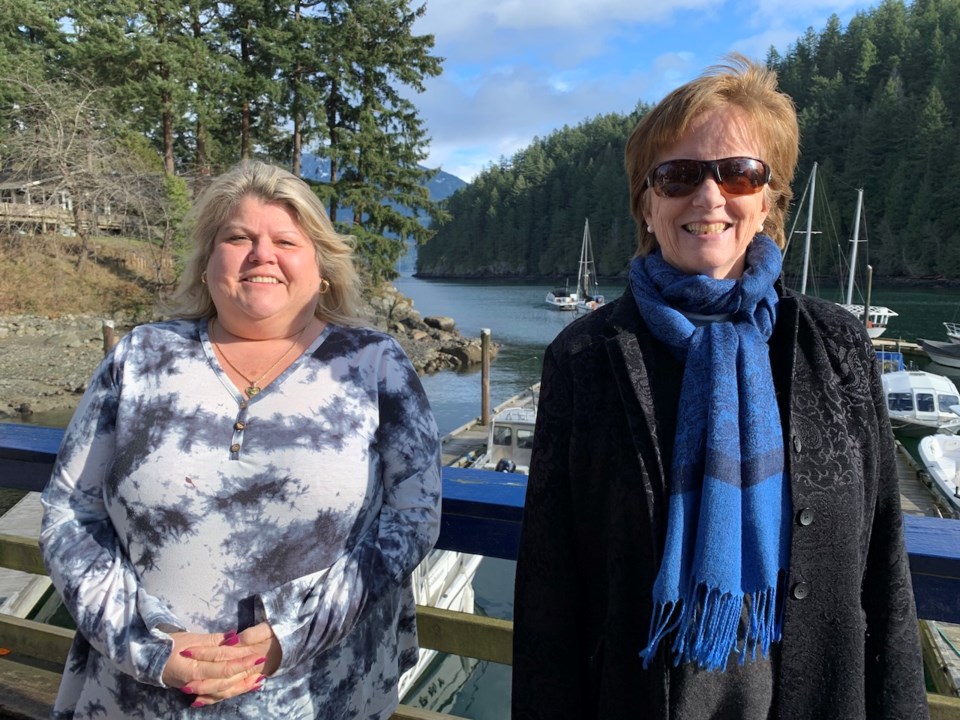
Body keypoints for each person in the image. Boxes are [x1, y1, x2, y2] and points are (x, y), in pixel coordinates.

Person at [512, 55, 929, 719]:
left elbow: (885, 566)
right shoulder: (586, 356)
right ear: (646, 206)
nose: (709, 196)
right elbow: (548, 587)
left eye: (738, 172)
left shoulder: (839, 346)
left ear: (768, 200)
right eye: (678, 176)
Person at [39, 160, 442, 719]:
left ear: (322, 267)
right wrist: (145, 644)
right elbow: (68, 513)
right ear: (207, 264)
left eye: (285, 241)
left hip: (318, 694)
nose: (261, 255)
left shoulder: (374, 364)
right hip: (138, 696)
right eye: (238, 238)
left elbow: (413, 515)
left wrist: (294, 633)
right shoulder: (140, 356)